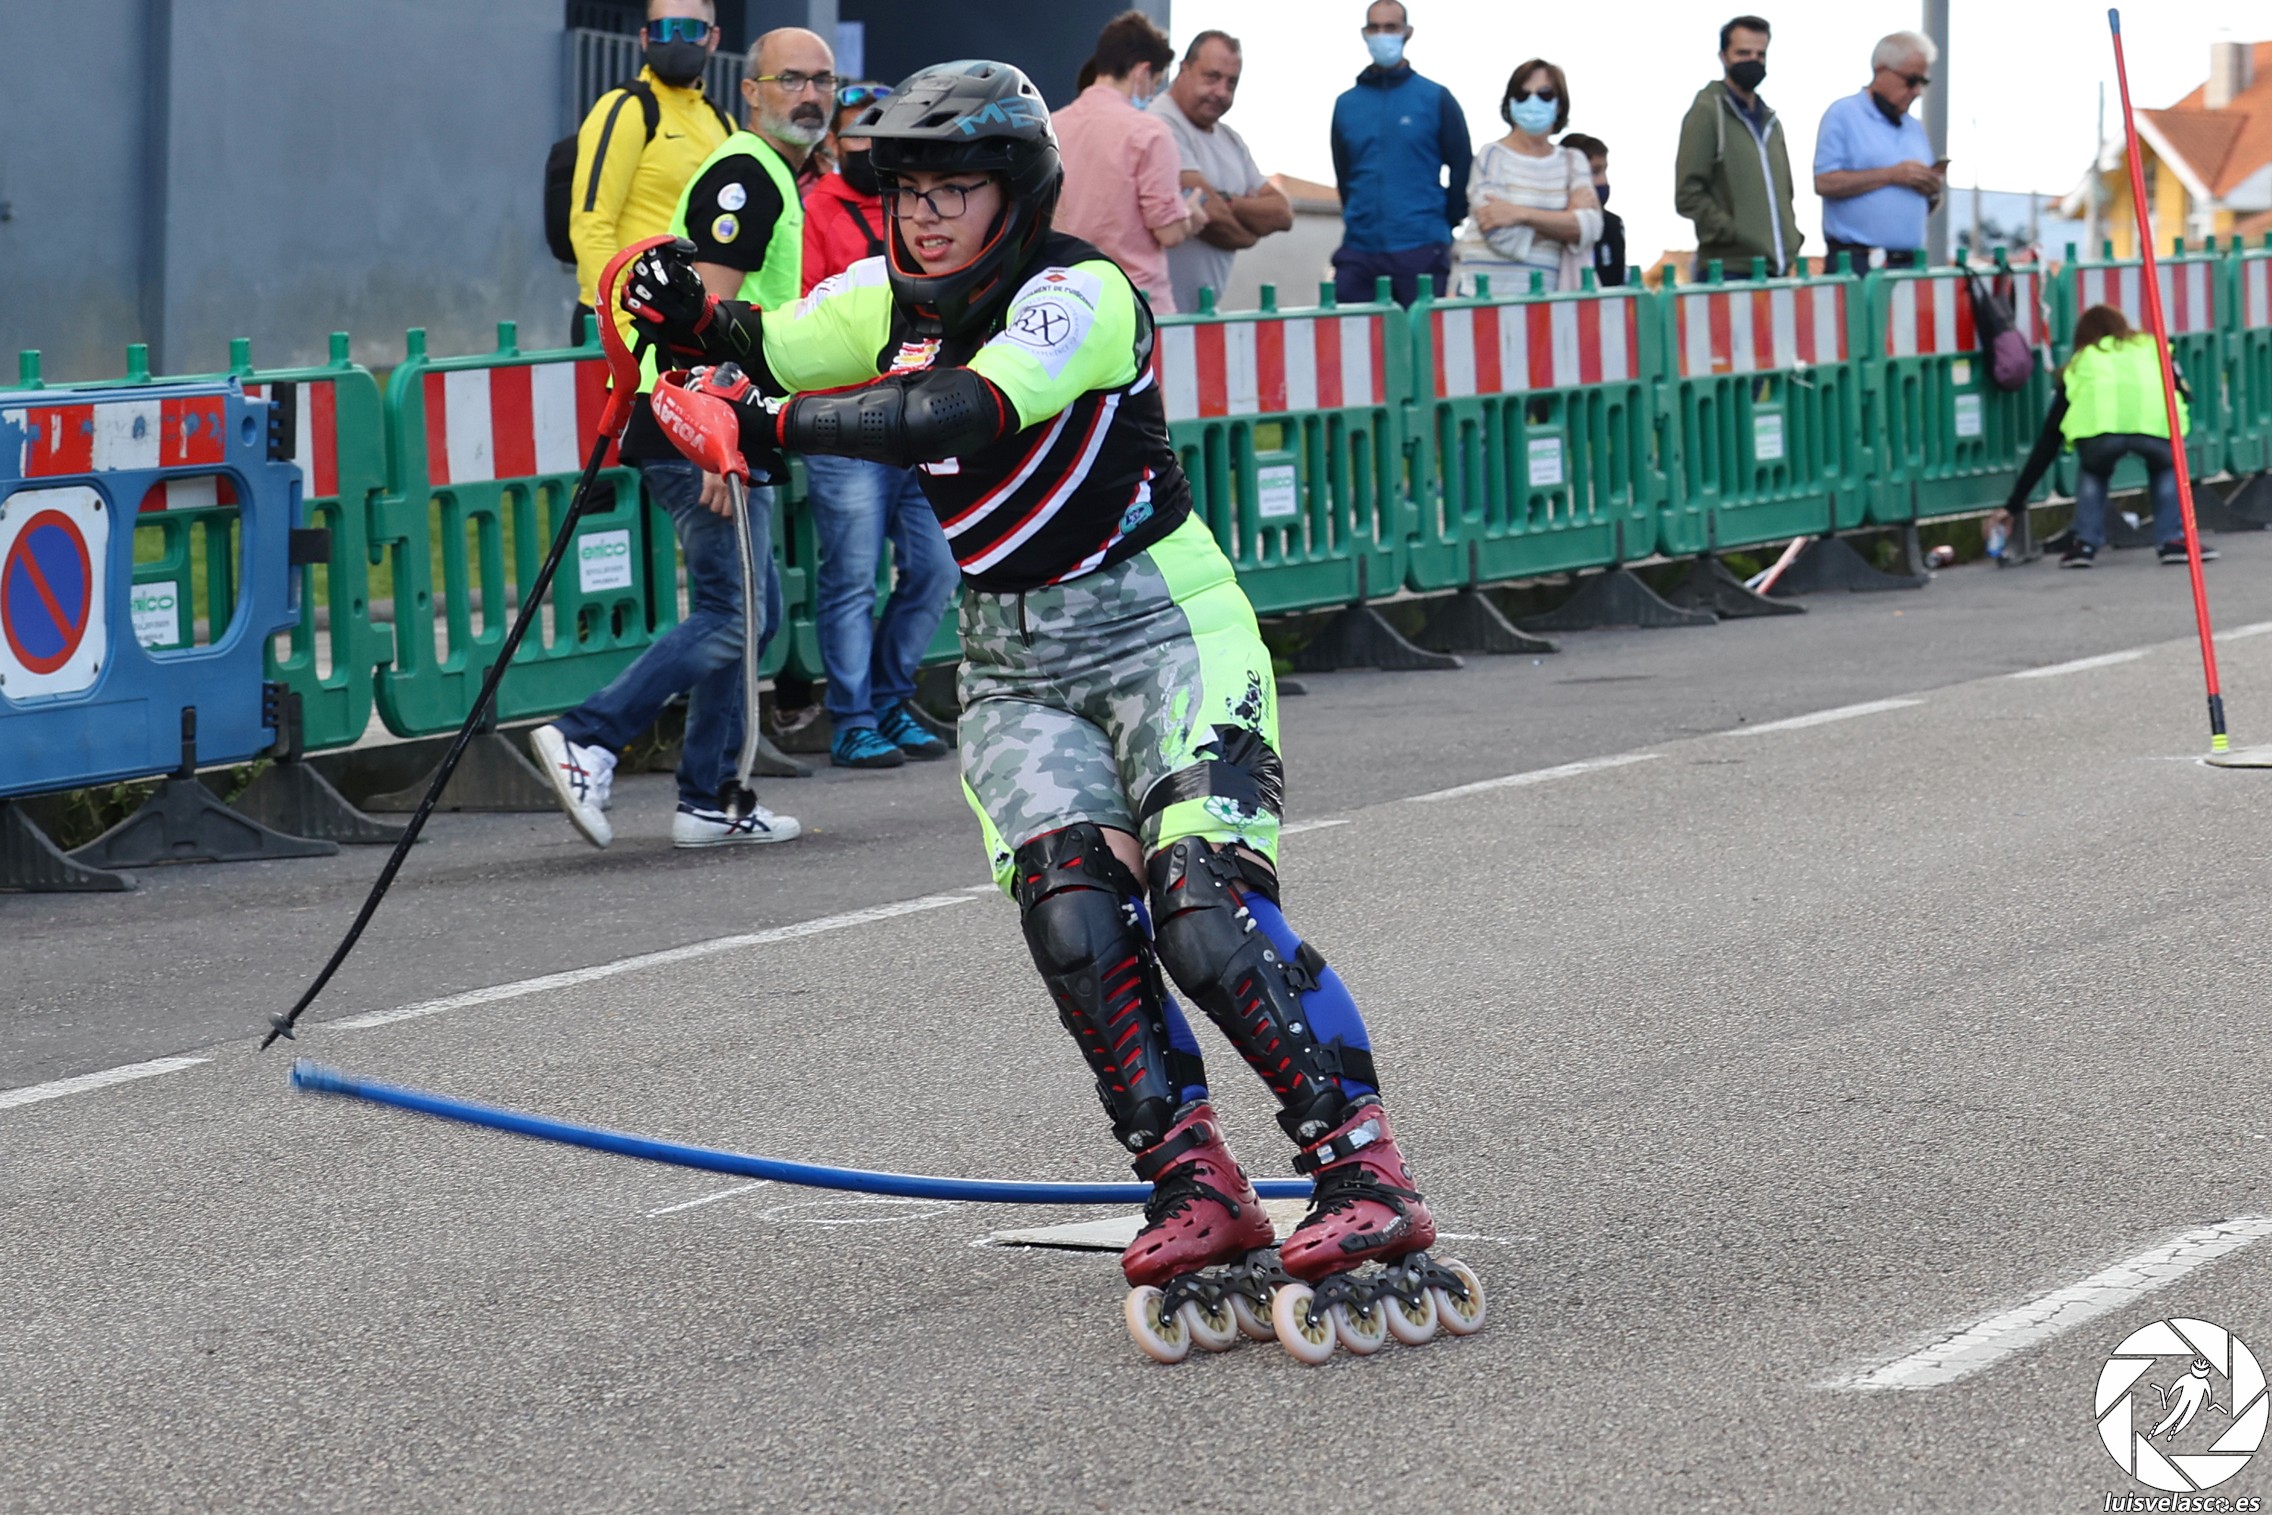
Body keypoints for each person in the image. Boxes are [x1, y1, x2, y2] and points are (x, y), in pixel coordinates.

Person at [618, 59, 1483, 1361]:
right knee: (1074, 915)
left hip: (1162, 629)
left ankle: (1363, 1169)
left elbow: (954, 410)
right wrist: (682, 309)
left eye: (952, 189)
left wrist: (770, 424)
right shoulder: (883, 299)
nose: (923, 216)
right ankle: (1193, 1180)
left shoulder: (1078, 293)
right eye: (907, 190)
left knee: (1200, 905)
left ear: (1014, 193)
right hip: (1015, 660)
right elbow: (758, 343)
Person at [529, 27, 836, 850]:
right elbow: (697, 311)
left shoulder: (768, 171)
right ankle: (588, 736)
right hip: (704, 422)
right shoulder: (748, 175)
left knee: (750, 616)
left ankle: (710, 798)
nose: (811, 95)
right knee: (736, 614)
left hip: (726, 420)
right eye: (791, 79)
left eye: (823, 81)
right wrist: (711, 430)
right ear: (752, 91)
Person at [798, 81, 959, 769]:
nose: (868, 144)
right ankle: (854, 718)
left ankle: (891, 698)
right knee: (853, 579)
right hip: (847, 424)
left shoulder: (915, 207)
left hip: (918, 420)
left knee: (937, 568)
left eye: (880, 132)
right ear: (835, 141)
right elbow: (807, 309)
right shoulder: (817, 208)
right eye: (856, 132)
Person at [566, 0, 733, 346]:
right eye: (663, 29)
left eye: (691, 30)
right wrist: (623, 321)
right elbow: (590, 222)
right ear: (644, 38)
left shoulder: (723, 123)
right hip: (627, 323)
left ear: (713, 38)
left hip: (688, 326)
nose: (676, 40)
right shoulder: (627, 109)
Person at [1997, 304, 2208, 570]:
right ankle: (2172, 540)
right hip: (2155, 428)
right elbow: (2185, 392)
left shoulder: (2083, 360)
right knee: (2165, 466)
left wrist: (2014, 504)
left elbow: (2049, 438)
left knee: (2094, 471)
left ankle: (2085, 544)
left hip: (2099, 435)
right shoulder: (2153, 348)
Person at [1052, 10, 1206, 312]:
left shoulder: (1052, 126)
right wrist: (1189, 215)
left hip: (1066, 300)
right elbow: (1169, 232)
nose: (1151, 95)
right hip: (1135, 304)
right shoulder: (1150, 133)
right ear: (1142, 71)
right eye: (1155, 84)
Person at [1330, 1, 1472, 306]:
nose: (1382, 35)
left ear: (1407, 32)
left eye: (1391, 27)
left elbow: (1462, 165)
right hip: (1359, 249)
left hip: (1421, 246)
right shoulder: (1346, 105)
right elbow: (1344, 173)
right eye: (1375, 28)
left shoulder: (1435, 98)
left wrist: (1445, 220)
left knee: (1420, 334)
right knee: (1350, 332)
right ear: (1364, 33)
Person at [1149, 30, 1294, 314]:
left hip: (1202, 314)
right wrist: (1249, 234)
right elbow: (1211, 219)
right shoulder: (1159, 124)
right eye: (1212, 77)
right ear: (1184, 69)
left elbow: (1282, 213)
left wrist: (1226, 201)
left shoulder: (1231, 141)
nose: (1221, 92)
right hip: (1157, 316)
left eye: (1232, 82)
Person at [1451, 60, 1601, 296]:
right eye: (1522, 95)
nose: (1533, 102)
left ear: (1560, 104)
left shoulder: (1573, 161)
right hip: (1481, 295)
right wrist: (1564, 223)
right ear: (1510, 102)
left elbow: (1591, 228)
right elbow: (1498, 234)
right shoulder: (1491, 155)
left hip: (1544, 297)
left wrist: (1519, 214)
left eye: (1545, 94)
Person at [1674, 15, 1801, 280]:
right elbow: (1688, 194)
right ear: (1724, 56)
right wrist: (1732, 232)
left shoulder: (1770, 121)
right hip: (1730, 269)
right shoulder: (1708, 112)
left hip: (1775, 267)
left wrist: (1791, 238)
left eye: (1761, 54)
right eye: (1743, 53)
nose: (1753, 61)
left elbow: (1785, 191)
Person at [1813, 31, 1944, 271]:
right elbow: (1824, 182)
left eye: (1923, 83)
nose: (1918, 91)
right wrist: (1891, 175)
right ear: (1881, 70)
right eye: (1911, 80)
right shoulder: (1844, 114)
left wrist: (1931, 190)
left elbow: (1919, 204)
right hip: (1858, 263)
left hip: (1908, 262)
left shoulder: (1914, 127)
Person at [1560, 132, 1627, 287]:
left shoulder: (1613, 224)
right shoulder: (1551, 226)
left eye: (1604, 170)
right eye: (1594, 172)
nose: (1603, 181)